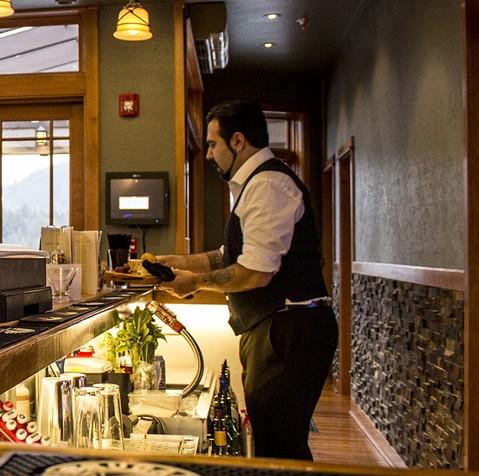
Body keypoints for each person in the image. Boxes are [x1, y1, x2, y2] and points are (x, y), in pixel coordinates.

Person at [144, 99, 337, 461]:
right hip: (278, 328)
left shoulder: (268, 185)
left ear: (237, 141)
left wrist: (195, 283)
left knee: (280, 449)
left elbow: (256, 272)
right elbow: (227, 256)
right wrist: (176, 262)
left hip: (288, 329)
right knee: (275, 439)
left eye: (213, 144)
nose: (209, 154)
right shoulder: (255, 184)